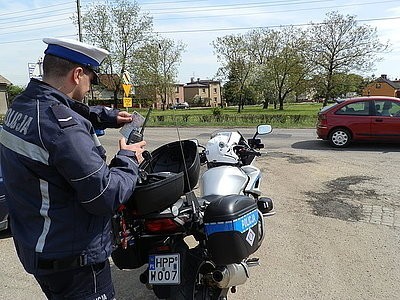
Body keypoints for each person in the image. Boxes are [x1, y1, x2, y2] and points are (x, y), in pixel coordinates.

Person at [0, 38, 146, 299]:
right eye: (91, 79)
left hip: (40, 246)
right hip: (74, 259)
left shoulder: (22, 105)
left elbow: (56, 108)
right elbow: (105, 196)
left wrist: (105, 116)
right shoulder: (63, 129)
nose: (90, 87)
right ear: (77, 75)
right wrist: (128, 158)